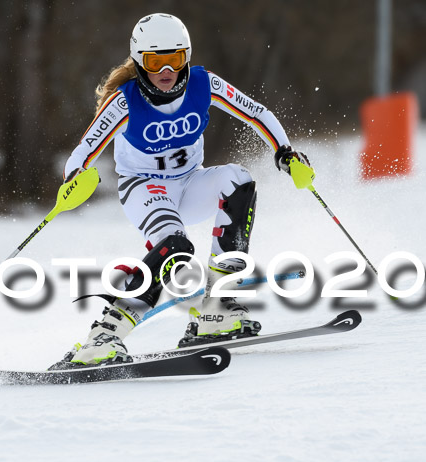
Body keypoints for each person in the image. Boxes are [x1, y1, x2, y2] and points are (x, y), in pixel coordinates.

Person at [53, 13, 311, 368]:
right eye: (155, 61)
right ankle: (103, 336)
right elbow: (83, 152)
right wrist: (73, 179)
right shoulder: (125, 101)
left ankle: (215, 307)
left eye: (174, 59)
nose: (165, 71)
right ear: (140, 62)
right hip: (144, 189)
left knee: (239, 179)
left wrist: (285, 153)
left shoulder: (204, 84)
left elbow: (256, 113)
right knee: (175, 246)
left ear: (185, 56)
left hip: (190, 182)